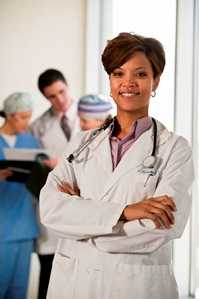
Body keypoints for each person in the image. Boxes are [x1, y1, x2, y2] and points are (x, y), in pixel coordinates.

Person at [39, 33, 194, 299]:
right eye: (118, 73)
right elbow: (50, 209)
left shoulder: (175, 149)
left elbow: (160, 227)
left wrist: (82, 220)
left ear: (155, 80)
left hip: (134, 285)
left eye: (141, 74)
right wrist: (127, 210)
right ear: (110, 81)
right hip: (74, 283)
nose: (128, 83)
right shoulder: (81, 144)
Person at [31, 69, 79, 299]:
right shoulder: (39, 126)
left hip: (84, 203)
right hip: (54, 205)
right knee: (49, 275)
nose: (59, 100)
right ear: (45, 97)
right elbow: (35, 169)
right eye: (51, 96)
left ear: (68, 85)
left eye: (61, 92)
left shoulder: (90, 115)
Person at [0, 92, 40, 299]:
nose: (27, 122)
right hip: (2, 227)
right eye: (23, 117)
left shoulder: (31, 142)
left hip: (24, 226)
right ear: (10, 115)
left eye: (29, 117)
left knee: (19, 291)